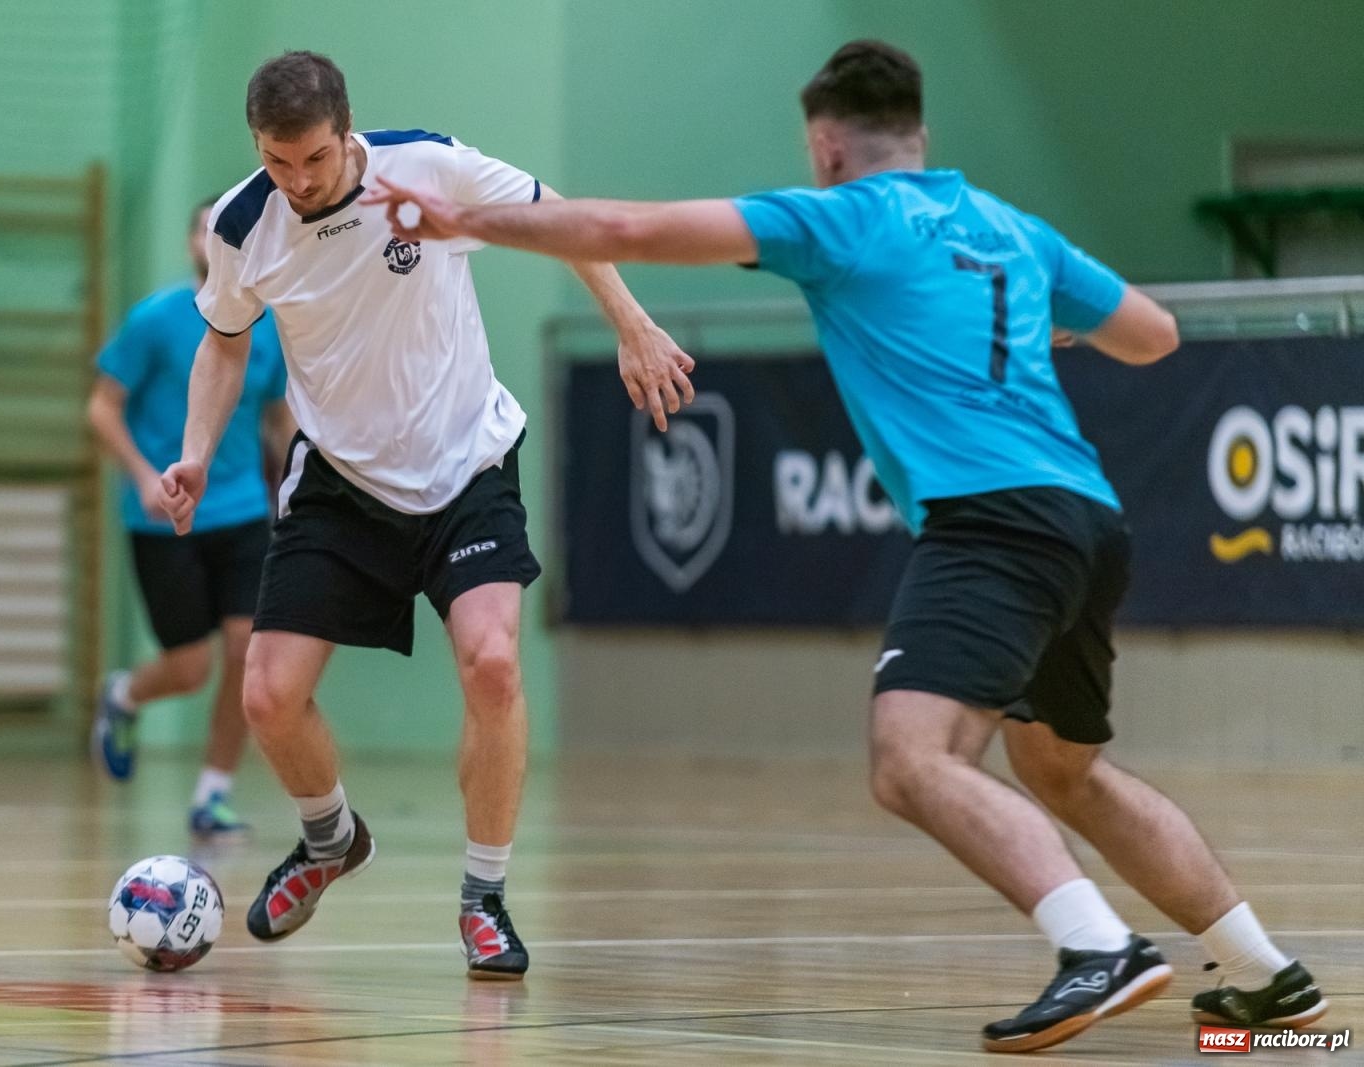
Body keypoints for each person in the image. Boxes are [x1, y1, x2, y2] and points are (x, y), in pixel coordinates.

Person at [362, 39, 1327, 1051]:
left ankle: (1098, 945)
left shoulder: (835, 219)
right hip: (1086, 516)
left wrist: (463, 216)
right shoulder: (1009, 226)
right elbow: (1155, 335)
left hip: (989, 519)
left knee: (908, 761)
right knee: (1065, 770)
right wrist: (1045, 327)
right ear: (920, 137)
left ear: (825, 145)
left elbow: (623, 227)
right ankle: (1269, 978)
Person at [158, 50, 693, 980]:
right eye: (277, 162)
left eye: (314, 160)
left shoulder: (428, 169)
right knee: (266, 696)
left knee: (492, 663)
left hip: (465, 464)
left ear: (346, 132)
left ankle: (483, 895)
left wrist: (632, 323)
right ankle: (330, 839)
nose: (298, 182)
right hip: (339, 480)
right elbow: (223, 344)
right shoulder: (248, 224)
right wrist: (196, 453)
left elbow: (562, 220)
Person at [88, 198, 291, 839]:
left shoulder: (270, 325)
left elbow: (278, 420)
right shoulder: (155, 320)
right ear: (191, 243)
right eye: (207, 226)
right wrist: (145, 478)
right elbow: (101, 407)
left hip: (241, 512)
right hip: (163, 515)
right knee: (189, 668)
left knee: (245, 650)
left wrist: (301, 490)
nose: (219, 238)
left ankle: (213, 793)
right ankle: (124, 695)